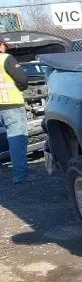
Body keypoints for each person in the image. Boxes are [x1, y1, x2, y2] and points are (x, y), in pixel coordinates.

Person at [0, 37, 30, 183]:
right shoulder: (6, 59)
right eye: (5, 45)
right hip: (11, 105)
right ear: (1, 45)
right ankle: (20, 175)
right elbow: (23, 79)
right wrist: (22, 88)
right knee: (17, 138)